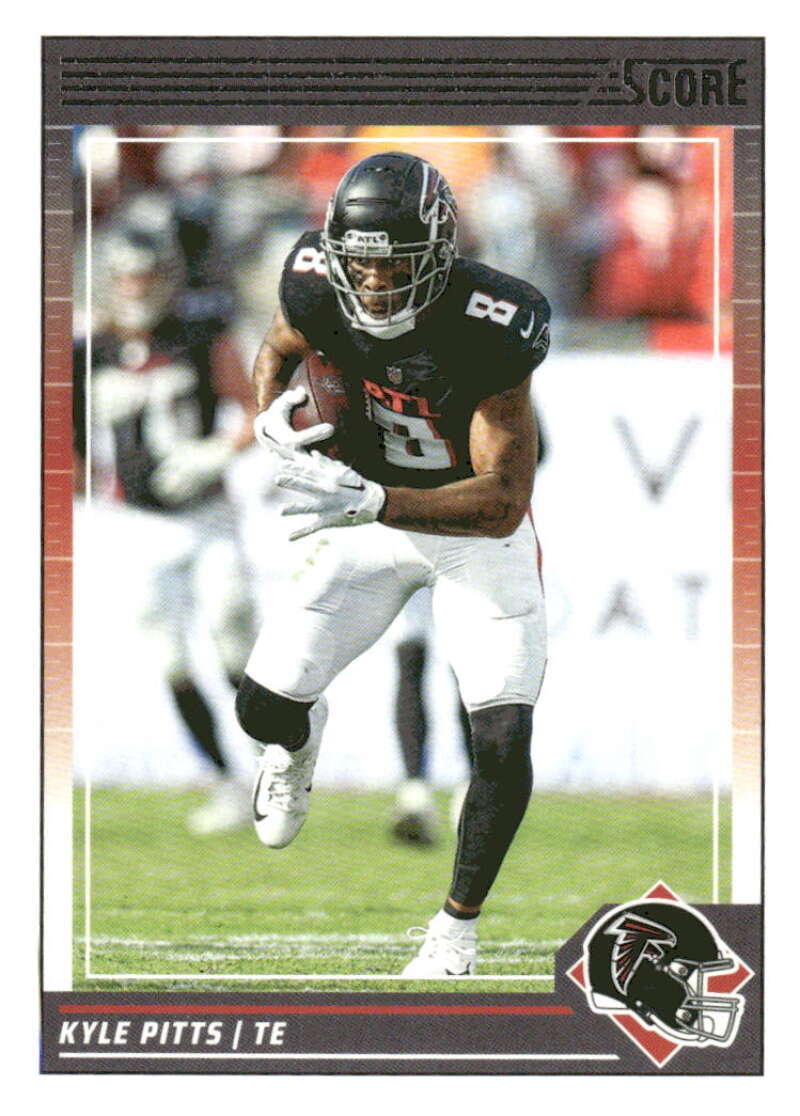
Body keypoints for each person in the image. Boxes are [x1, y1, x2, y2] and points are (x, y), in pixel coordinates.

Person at [236, 151, 550, 977]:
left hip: (466, 527)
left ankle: (455, 932)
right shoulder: (312, 282)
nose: (374, 283)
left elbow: (503, 501)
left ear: (439, 254)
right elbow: (278, 345)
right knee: (261, 708)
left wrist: (376, 499)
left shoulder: (493, 320)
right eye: (362, 263)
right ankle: (296, 743)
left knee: (503, 734)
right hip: (363, 513)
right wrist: (269, 418)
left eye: (396, 264)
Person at [74, 217, 257, 834]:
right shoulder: (88, 352)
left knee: (233, 633)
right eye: (126, 276)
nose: (137, 287)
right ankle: (226, 782)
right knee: (170, 656)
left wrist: (217, 452)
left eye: (147, 275)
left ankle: (276, 762)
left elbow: (256, 410)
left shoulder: (201, 334)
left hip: (207, 514)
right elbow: (66, 446)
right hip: (135, 522)